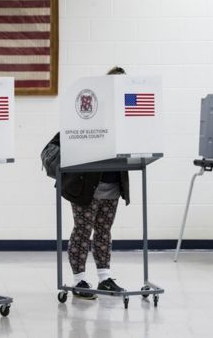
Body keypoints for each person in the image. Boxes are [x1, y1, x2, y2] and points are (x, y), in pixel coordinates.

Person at [68, 65, 130, 299]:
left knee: (104, 231)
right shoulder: (91, 109)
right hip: (87, 182)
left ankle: (104, 278)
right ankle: (79, 280)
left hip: (114, 180)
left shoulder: (127, 112)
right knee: (83, 231)